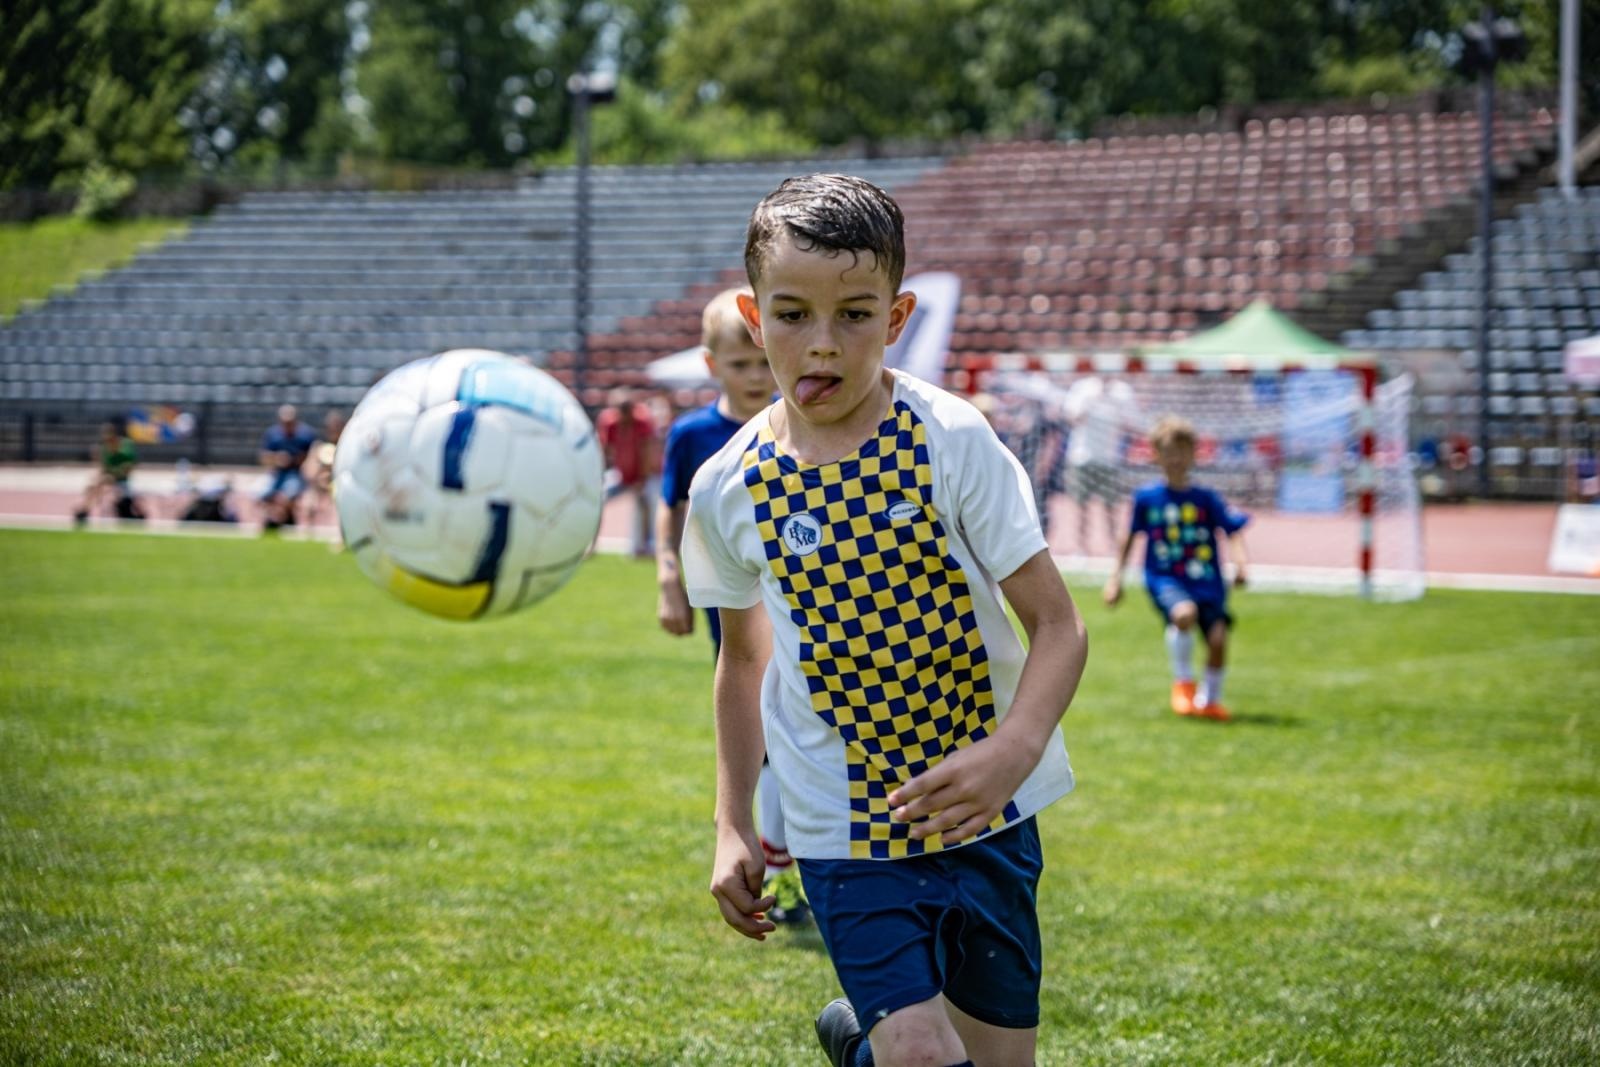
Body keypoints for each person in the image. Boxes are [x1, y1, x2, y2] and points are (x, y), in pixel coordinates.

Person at [682, 174, 1088, 1067]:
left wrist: (1012, 751)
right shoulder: (727, 486)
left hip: (986, 811)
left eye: (854, 315)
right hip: (843, 821)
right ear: (753, 316)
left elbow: (1058, 625)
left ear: (897, 316)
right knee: (918, 1052)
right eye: (791, 315)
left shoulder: (952, 438)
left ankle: (855, 1047)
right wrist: (732, 821)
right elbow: (740, 665)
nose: (821, 345)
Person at [655, 288, 808, 922]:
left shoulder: (794, 426)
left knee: (801, 729)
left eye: (759, 363)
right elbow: (675, 511)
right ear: (710, 363)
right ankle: (780, 866)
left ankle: (800, 857)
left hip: (800, 601)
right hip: (736, 604)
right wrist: (669, 577)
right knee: (766, 729)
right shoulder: (694, 437)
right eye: (737, 364)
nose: (752, 376)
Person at [1103, 415, 1250, 721]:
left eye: (1183, 451)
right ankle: (1183, 684)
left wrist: (1240, 565)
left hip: (1207, 580)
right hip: (1166, 577)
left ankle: (1209, 699)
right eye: (1169, 452)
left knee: (1219, 640)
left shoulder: (1206, 498)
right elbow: (1128, 537)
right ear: (1155, 455)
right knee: (1184, 614)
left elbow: (1231, 530)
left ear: (1195, 454)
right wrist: (1115, 579)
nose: (1176, 459)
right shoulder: (1147, 498)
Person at [1063, 375, 1139, 556]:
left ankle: (1113, 548)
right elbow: (1071, 417)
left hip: (1109, 458)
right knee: (1080, 506)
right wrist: (1092, 401)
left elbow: (1133, 423)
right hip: (1081, 457)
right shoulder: (1082, 387)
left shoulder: (1123, 391)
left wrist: (1115, 405)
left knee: (1111, 506)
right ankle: (1080, 548)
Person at [596, 387, 659, 558]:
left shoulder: (643, 422)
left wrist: (642, 479)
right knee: (597, 499)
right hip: (620, 473)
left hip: (642, 475)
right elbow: (604, 449)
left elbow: (646, 452)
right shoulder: (609, 423)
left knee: (647, 503)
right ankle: (591, 544)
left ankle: (645, 546)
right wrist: (599, 475)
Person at [73, 418, 144, 524]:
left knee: (102, 484)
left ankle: (85, 510)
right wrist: (98, 476)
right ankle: (84, 510)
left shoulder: (126, 445)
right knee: (94, 485)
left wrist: (112, 475)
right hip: (109, 479)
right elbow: (103, 468)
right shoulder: (104, 449)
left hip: (123, 480)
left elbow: (128, 468)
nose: (107, 439)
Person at [258, 404, 317, 531]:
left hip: (297, 473)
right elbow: (264, 457)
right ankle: (271, 519)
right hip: (277, 473)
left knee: (289, 493)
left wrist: (297, 461)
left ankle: (281, 519)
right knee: (262, 493)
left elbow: (312, 457)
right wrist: (277, 458)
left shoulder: (306, 435)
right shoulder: (272, 434)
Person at [302, 408, 347, 531]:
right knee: (306, 503)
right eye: (331, 427)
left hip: (340, 489)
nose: (333, 430)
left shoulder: (348, 447)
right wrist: (321, 468)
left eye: (337, 427)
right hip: (319, 489)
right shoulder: (318, 447)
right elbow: (308, 472)